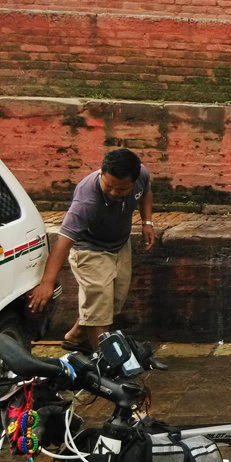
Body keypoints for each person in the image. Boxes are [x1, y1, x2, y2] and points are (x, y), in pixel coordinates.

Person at [27, 148, 156, 351]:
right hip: (89, 249)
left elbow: (146, 192)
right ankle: (105, 358)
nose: (114, 193)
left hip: (120, 244)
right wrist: (47, 282)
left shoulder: (142, 175)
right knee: (99, 305)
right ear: (101, 172)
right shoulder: (86, 200)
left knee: (113, 302)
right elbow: (63, 242)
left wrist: (147, 222)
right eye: (109, 186)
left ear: (134, 180)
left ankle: (75, 336)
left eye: (122, 189)